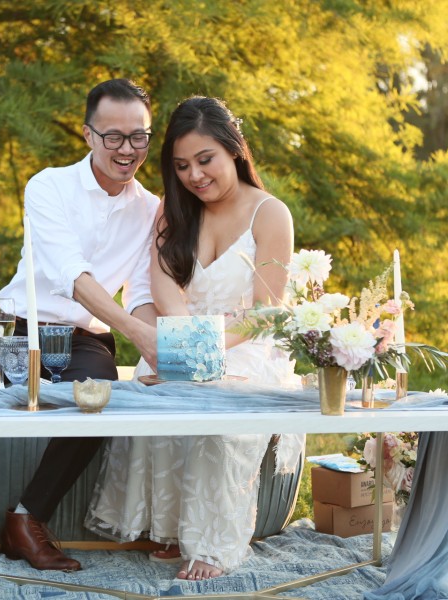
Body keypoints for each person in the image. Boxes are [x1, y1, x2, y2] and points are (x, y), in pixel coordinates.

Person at [0, 78, 160, 572]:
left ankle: (28, 519)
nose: (127, 149)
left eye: (139, 136)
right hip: (15, 323)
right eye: (113, 136)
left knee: (100, 396)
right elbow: (70, 274)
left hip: (84, 337)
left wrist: (154, 345)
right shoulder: (47, 185)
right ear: (87, 135)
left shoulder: (152, 209)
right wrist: (137, 333)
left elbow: (142, 293)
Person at [85, 96, 303, 580]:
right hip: (184, 335)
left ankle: (212, 544)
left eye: (205, 160)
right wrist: (186, 346)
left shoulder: (270, 214)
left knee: (220, 407)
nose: (194, 176)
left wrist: (207, 349)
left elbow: (266, 310)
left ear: (234, 149)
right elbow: (164, 284)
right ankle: (170, 529)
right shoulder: (173, 209)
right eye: (182, 166)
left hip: (245, 344)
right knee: (154, 386)